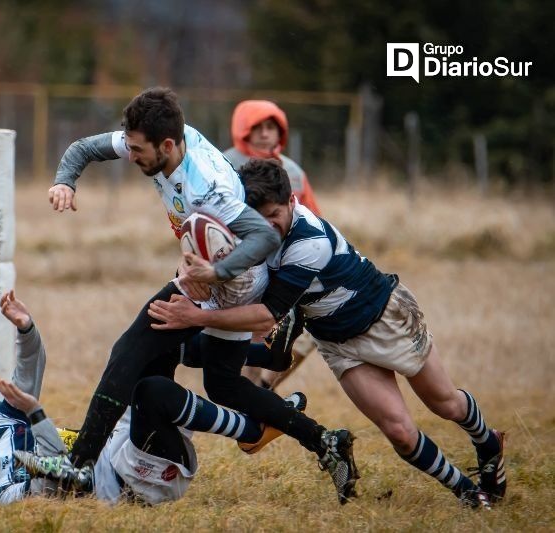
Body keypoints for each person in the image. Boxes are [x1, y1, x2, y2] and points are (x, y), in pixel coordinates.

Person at [147, 158, 507, 509]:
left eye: (275, 216)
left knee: (445, 404)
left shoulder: (309, 242)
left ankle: (487, 442)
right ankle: (467, 493)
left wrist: (194, 316)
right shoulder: (243, 229)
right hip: (337, 342)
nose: (268, 229)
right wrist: (190, 264)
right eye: (259, 220)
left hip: (386, 318)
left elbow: (265, 314)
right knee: (399, 433)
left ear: (291, 201)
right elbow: (202, 245)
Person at [47, 87, 340, 481]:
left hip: (237, 280)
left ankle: (80, 463)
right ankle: (324, 440)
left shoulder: (208, 187)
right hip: (213, 269)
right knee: (222, 384)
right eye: (129, 147)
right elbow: (83, 148)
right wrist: (66, 181)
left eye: (137, 151)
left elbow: (265, 238)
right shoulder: (159, 139)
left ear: (166, 145)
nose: (130, 157)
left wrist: (212, 274)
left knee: (131, 350)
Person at [0, 291, 357, 505]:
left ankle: (267, 354)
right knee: (150, 390)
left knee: (157, 342)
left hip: (119, 444)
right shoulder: (2, 496)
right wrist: (36, 415)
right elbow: (64, 474)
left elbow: (26, 377)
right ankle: (250, 428)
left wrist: (25, 330)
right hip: (133, 481)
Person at [224, 99, 320, 391]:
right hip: (242, 267)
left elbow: (315, 217)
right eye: (258, 128)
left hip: (287, 267)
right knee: (249, 339)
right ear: (243, 131)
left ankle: (262, 390)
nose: (266, 134)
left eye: (271, 128)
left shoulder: (293, 171)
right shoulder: (224, 164)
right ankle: (245, 400)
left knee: (304, 335)